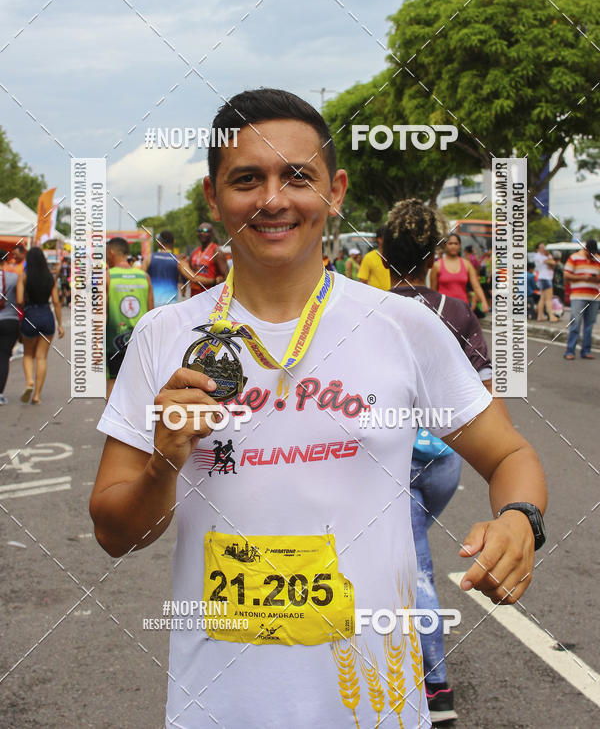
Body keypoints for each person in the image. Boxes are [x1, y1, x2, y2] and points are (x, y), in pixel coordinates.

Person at [90, 88, 546, 729]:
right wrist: (163, 465)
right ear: (213, 196)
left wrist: (520, 521)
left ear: (335, 191)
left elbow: (510, 454)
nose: (273, 200)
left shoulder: (400, 327)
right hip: (218, 708)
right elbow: (113, 532)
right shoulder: (164, 337)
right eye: (247, 179)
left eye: (297, 177)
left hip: (374, 706)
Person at [383, 199, 508, 724]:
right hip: (446, 463)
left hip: (394, 459)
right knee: (409, 557)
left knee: (417, 568)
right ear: (436, 257)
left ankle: (435, 687)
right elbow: (485, 399)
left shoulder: (369, 309)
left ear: (383, 255)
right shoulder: (456, 313)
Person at [106, 237, 153, 398]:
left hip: (114, 341)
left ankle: (113, 422)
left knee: (113, 382)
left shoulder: (107, 276)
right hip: (140, 341)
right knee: (138, 386)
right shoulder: (144, 277)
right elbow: (151, 312)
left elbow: (101, 313)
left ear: (111, 252)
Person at [16, 246, 64, 404]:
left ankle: (29, 381)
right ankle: (36, 395)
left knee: (28, 354)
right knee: (42, 357)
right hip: (47, 316)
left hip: (30, 315)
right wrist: (60, 325)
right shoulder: (49, 278)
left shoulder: (24, 276)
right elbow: (56, 302)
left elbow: (19, 300)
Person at [430, 233, 488, 313]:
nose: (453, 246)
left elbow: (476, 286)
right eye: (450, 243)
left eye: (456, 243)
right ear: (445, 246)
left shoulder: (467, 264)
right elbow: (433, 291)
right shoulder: (437, 265)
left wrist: (484, 301)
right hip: (443, 310)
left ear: (459, 245)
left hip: (463, 309)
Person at [563, 239, 600, 360]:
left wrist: (594, 279)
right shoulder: (574, 258)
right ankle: (570, 351)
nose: (592, 255)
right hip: (578, 296)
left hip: (594, 297)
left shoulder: (598, 259)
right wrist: (583, 277)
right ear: (585, 249)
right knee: (575, 324)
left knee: (589, 326)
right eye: (590, 252)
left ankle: (586, 351)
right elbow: (566, 275)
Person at [143, 230, 200, 307]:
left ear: (159, 242)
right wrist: (214, 280)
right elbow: (194, 278)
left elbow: (140, 278)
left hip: (151, 304)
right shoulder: (178, 260)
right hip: (170, 306)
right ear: (173, 242)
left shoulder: (149, 258)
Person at [0, 249, 21, 405]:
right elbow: (21, 299)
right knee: (4, 357)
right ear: (6, 260)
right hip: (10, 321)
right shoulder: (15, 277)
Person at [187, 223, 229, 296]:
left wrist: (215, 281)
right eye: (199, 230)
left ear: (212, 234)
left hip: (210, 297)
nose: (202, 233)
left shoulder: (216, 252)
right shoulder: (194, 252)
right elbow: (188, 272)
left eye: (206, 231)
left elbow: (227, 278)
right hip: (194, 296)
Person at [533, 242, 559, 323]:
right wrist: (549, 258)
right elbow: (552, 263)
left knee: (542, 298)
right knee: (549, 298)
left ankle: (540, 316)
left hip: (544, 278)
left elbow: (551, 264)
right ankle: (551, 316)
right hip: (545, 278)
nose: (543, 249)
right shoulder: (538, 256)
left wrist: (549, 258)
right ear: (537, 249)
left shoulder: (545, 256)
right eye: (541, 247)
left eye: (544, 247)